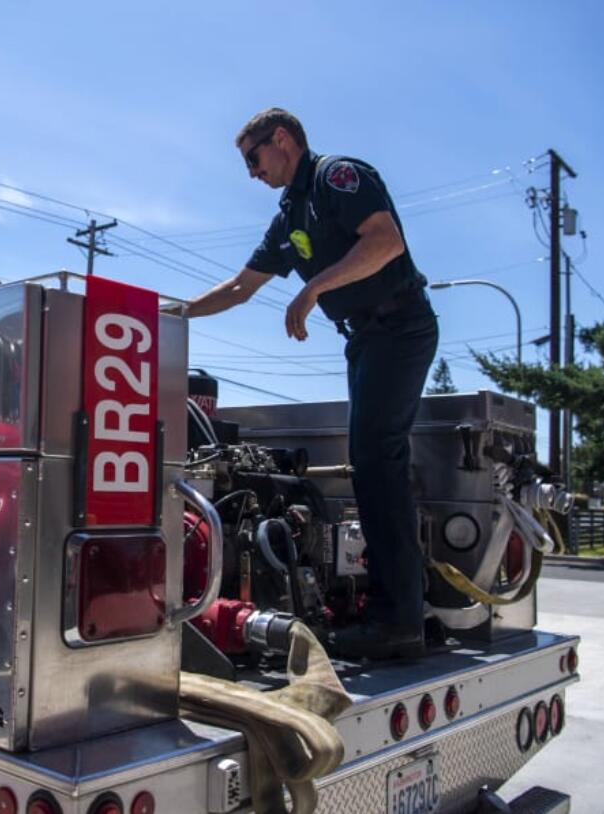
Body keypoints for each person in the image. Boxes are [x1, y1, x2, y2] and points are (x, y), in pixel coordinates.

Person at [185, 108, 438, 660]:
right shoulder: (289, 215)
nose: (251, 173)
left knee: (376, 461)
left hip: (401, 325)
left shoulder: (337, 177)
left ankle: (399, 622)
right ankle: (403, 611)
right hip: (366, 340)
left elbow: (385, 242)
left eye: (253, 158)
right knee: (373, 465)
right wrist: (173, 312)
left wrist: (313, 289)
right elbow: (237, 289)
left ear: (282, 139)